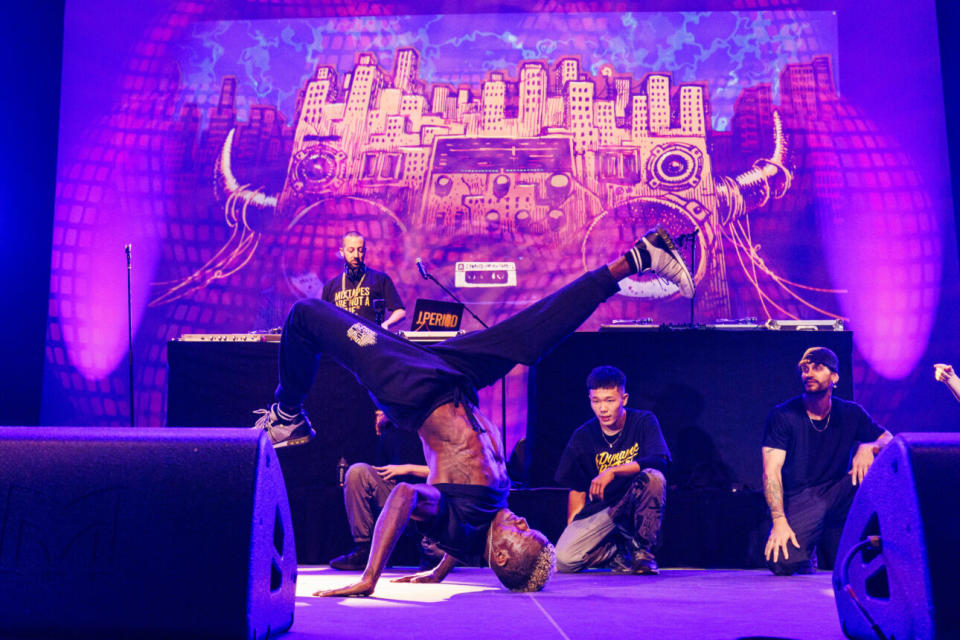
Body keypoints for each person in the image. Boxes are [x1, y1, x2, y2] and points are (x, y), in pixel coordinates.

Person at [253, 225, 695, 595]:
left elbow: (407, 497)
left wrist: (371, 578)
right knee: (533, 335)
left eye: (523, 533)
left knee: (306, 315)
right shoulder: (480, 525)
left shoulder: (461, 520)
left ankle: (289, 414)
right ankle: (638, 258)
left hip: (412, 388)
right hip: (457, 375)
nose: (524, 520)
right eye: (532, 528)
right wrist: (440, 569)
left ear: (501, 553)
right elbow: (466, 542)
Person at [762, 347, 892, 575]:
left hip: (837, 491)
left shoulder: (851, 413)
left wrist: (869, 446)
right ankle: (809, 546)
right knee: (783, 563)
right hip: (800, 497)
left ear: (834, 376)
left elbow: (890, 440)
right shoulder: (783, 415)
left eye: (817, 368)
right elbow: (771, 472)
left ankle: (886, 547)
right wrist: (779, 520)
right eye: (805, 369)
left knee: (878, 467)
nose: (808, 374)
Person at [553, 366, 670, 575]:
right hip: (604, 511)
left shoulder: (643, 421)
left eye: (609, 400)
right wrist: (573, 528)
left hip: (634, 503)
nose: (603, 409)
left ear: (623, 399)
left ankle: (642, 551)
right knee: (564, 560)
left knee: (654, 477)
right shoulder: (582, 436)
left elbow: (660, 460)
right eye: (596, 401)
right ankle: (618, 550)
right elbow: (577, 488)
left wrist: (613, 471)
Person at [329, 410, 440, 571]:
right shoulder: (390, 430)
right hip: (399, 497)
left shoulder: (434, 425)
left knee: (435, 556)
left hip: (430, 499)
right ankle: (364, 549)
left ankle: (430, 550)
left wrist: (408, 469)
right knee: (357, 472)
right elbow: (384, 469)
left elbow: (450, 471)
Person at [321, 231, 406, 330]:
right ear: (342, 252)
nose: (356, 255)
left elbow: (400, 311)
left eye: (360, 250)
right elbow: (324, 318)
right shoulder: (330, 286)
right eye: (351, 250)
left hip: (372, 341)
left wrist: (386, 324)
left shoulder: (380, 279)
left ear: (365, 251)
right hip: (340, 342)